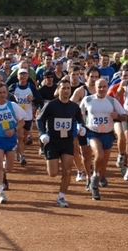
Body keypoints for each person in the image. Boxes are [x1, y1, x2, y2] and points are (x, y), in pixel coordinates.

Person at [36, 79, 85, 207]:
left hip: (67, 141)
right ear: (58, 90)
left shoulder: (74, 107)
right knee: (53, 173)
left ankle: (61, 197)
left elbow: (80, 120)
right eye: (63, 88)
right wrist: (42, 134)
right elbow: (39, 120)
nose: (66, 90)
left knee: (68, 171)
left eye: (68, 88)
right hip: (52, 141)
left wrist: (81, 127)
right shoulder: (51, 105)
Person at [80, 78, 127, 200]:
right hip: (93, 133)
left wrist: (118, 116)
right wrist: (80, 126)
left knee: (104, 163)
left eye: (104, 86)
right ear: (95, 88)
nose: (101, 89)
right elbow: (79, 114)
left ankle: (97, 177)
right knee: (98, 155)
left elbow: (125, 115)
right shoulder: (88, 99)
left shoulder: (112, 101)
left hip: (107, 134)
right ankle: (93, 179)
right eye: (99, 87)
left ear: (107, 87)